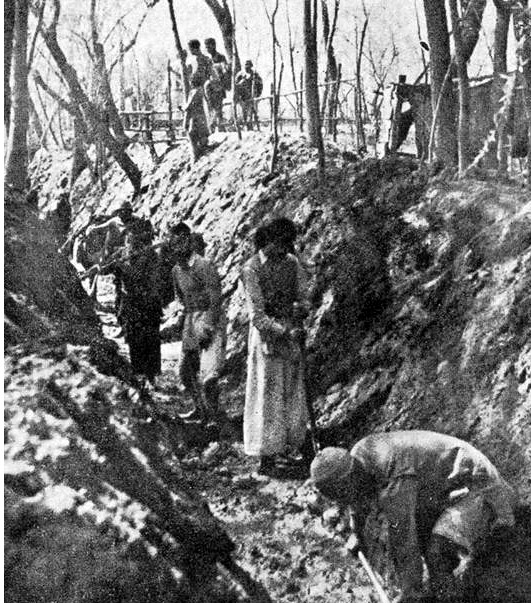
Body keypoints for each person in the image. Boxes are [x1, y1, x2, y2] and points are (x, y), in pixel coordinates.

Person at [310, 431, 518, 603]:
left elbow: (404, 544)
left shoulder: (393, 476)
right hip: (445, 491)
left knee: (436, 551)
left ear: (350, 479)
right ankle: (445, 585)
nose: (344, 502)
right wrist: (356, 532)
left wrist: (410, 594)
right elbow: (356, 502)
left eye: (342, 495)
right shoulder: (357, 458)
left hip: (482, 492)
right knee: (427, 546)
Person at [240, 218, 309, 475]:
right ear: (269, 242)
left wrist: (301, 311)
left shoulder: (292, 264)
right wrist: (284, 331)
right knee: (267, 394)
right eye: (281, 244)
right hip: (267, 338)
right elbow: (256, 316)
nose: (284, 250)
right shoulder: (251, 269)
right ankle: (267, 455)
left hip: (292, 333)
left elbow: (303, 296)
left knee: (291, 390)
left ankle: (291, 447)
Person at [170, 222, 226, 423]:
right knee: (186, 372)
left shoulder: (203, 266)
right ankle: (200, 409)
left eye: (182, 243)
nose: (178, 248)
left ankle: (216, 417)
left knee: (209, 376)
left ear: (189, 243)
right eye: (174, 244)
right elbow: (180, 299)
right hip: (191, 319)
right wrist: (181, 318)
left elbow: (215, 297)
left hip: (211, 318)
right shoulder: (176, 271)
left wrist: (209, 326)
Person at [103, 220, 162, 383]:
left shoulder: (151, 256)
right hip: (129, 302)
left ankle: (151, 376)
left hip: (147, 302)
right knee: (133, 338)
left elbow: (147, 279)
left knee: (150, 338)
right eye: (129, 237)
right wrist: (109, 265)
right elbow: (104, 268)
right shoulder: (123, 253)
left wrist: (124, 268)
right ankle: (139, 374)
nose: (131, 240)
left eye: (134, 237)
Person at [183, 39, 212, 161]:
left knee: (193, 129)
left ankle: (196, 154)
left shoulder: (200, 60)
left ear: (194, 48)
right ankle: (197, 152)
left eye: (190, 50)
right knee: (196, 127)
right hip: (200, 91)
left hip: (199, 91)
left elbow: (199, 76)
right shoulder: (202, 59)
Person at [204, 38, 231, 131]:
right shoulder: (207, 59)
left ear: (214, 45)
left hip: (219, 85)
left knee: (218, 106)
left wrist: (220, 68)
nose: (207, 49)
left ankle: (220, 128)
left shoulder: (220, 57)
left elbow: (225, 69)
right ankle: (213, 127)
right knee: (211, 106)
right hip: (209, 87)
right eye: (206, 47)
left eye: (209, 46)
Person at [235, 60, 263, 130]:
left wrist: (258, 94)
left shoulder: (255, 74)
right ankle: (246, 126)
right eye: (246, 65)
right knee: (244, 112)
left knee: (251, 112)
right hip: (243, 97)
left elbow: (260, 84)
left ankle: (250, 127)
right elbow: (235, 85)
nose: (247, 67)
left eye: (249, 65)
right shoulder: (240, 74)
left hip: (252, 96)